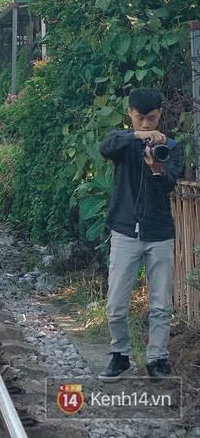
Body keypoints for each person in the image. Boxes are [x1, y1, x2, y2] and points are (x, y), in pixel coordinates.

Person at [98, 87, 184, 382]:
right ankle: (119, 354)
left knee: (161, 304)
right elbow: (106, 147)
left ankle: (157, 358)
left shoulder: (171, 147)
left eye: (151, 119)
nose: (146, 125)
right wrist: (136, 137)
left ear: (160, 114)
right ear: (130, 114)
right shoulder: (124, 142)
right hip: (124, 229)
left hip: (159, 232)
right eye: (139, 118)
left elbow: (169, 185)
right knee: (115, 304)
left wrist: (157, 166)